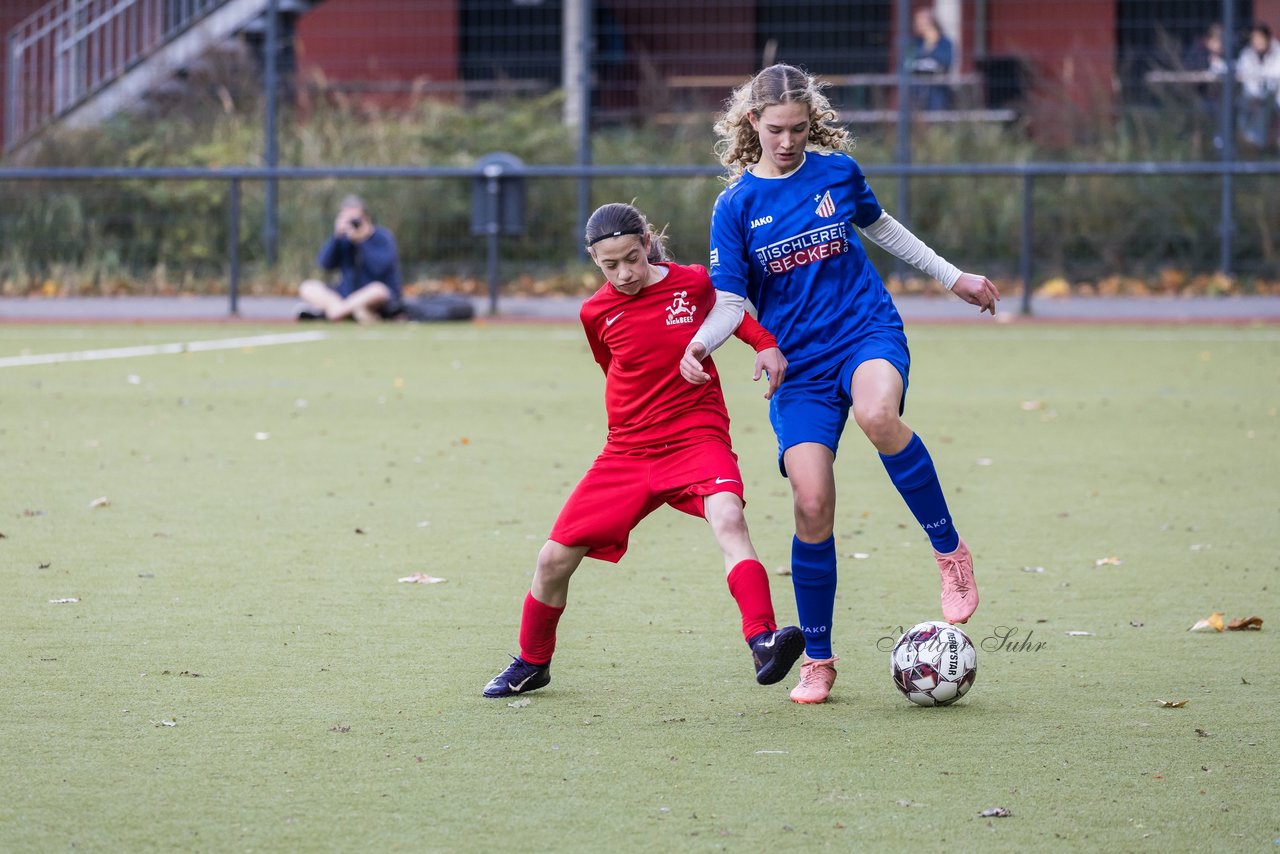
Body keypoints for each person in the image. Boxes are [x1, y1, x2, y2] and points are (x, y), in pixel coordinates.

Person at [690, 64, 999, 705]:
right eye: (776, 129)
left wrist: (953, 277)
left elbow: (881, 228)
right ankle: (820, 660)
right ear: (752, 123)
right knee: (810, 503)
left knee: (877, 415)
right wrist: (702, 343)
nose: (788, 141)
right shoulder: (736, 206)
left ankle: (950, 553)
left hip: (865, 333)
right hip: (798, 366)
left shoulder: (836, 173)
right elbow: (729, 302)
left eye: (799, 129)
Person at [483, 202, 805, 699]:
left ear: (648, 241)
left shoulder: (694, 283)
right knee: (552, 561)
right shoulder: (595, 312)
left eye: (632, 258)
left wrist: (764, 343)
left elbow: (733, 315)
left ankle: (762, 640)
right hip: (627, 452)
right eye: (610, 265)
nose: (625, 273)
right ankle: (532, 661)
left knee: (729, 518)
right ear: (595, 261)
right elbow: (615, 368)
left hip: (697, 436)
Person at [298, 195, 403, 322]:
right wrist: (336, 237)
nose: (351, 225)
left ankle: (334, 313)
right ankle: (350, 311)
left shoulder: (382, 237)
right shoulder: (343, 239)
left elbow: (379, 268)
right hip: (346, 296)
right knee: (307, 287)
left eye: (354, 220)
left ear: (366, 219)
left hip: (375, 298)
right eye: (346, 219)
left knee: (378, 289)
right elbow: (324, 264)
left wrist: (363, 241)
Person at [1236, 23, 1280, 149]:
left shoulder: (1278, 53)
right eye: (1254, 39)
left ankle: (1260, 144)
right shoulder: (1246, 55)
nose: (1257, 42)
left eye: (1260, 38)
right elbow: (1245, 78)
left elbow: (1275, 79)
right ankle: (1251, 143)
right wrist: (1256, 96)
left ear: (1268, 38)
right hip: (1252, 98)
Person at [906, 8, 954, 112]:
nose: (917, 25)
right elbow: (906, 65)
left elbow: (947, 62)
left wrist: (931, 47)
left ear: (931, 24)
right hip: (916, 89)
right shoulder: (914, 44)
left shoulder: (945, 43)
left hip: (937, 90)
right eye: (916, 22)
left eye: (921, 23)